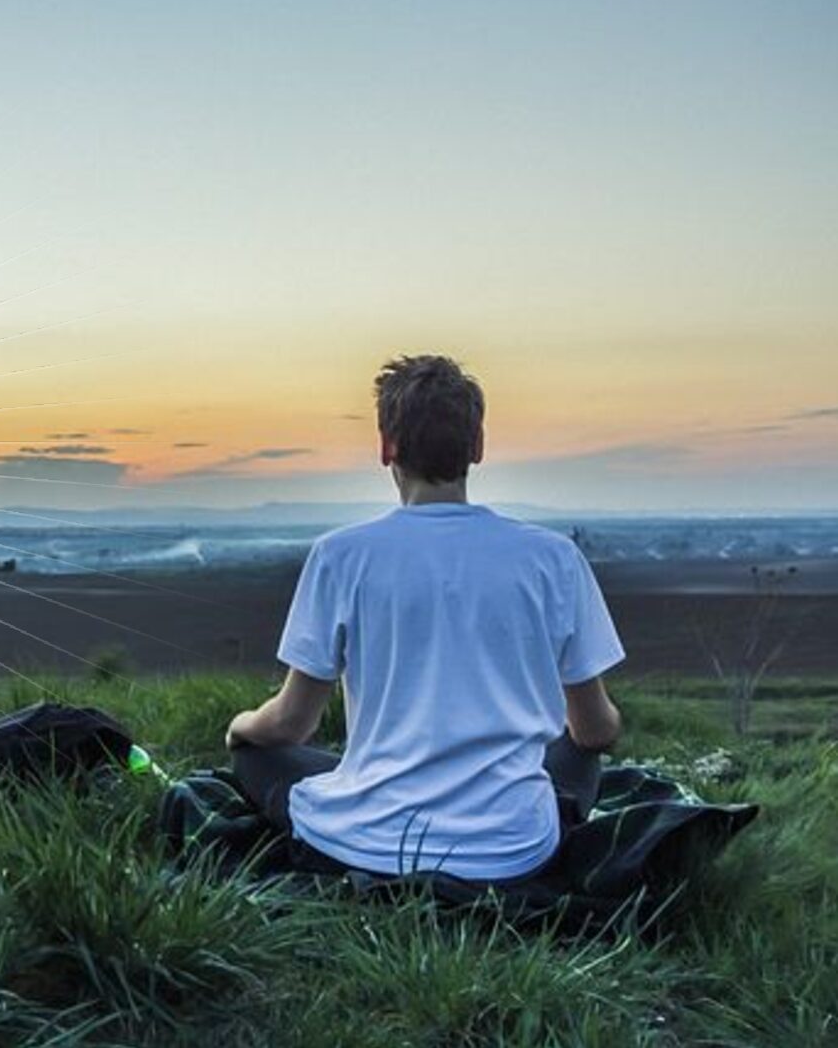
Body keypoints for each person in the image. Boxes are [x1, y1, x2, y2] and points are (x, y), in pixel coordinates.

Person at [225, 354, 625, 883]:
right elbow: (597, 731)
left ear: (386, 446)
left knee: (256, 757)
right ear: (477, 447)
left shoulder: (340, 555)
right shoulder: (553, 558)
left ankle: (365, 800)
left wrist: (240, 727)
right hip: (512, 851)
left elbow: (292, 725)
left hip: (369, 844)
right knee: (578, 751)